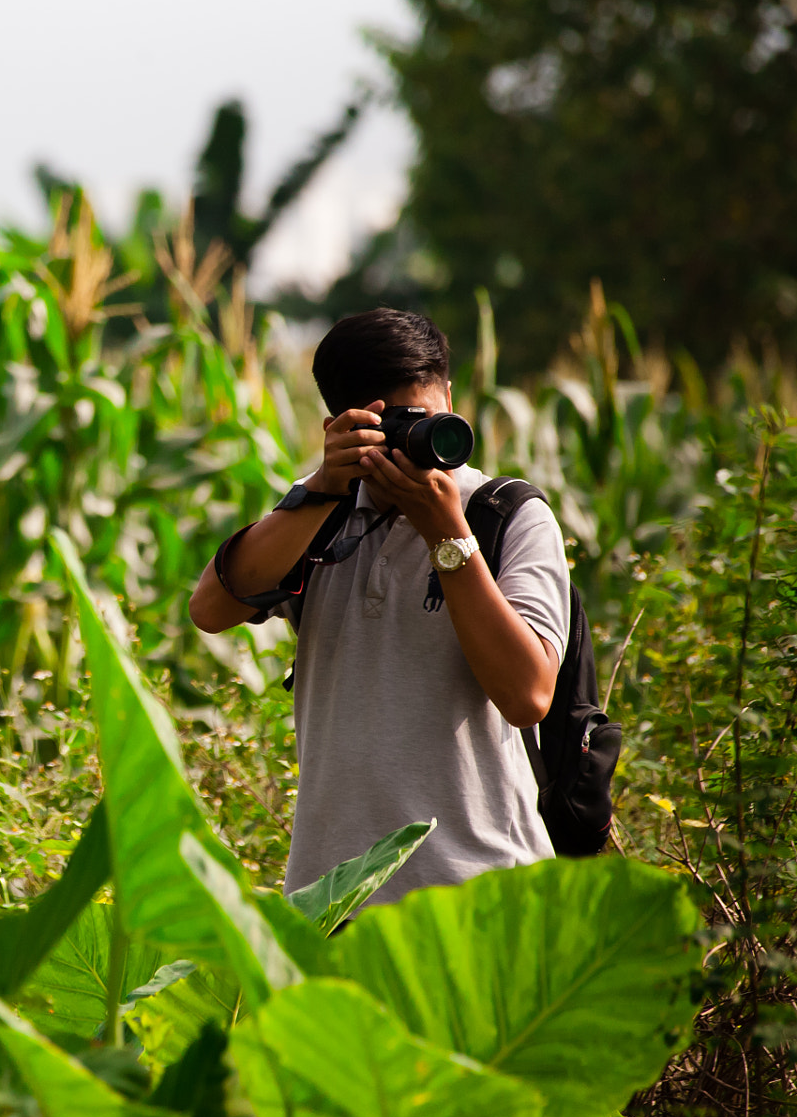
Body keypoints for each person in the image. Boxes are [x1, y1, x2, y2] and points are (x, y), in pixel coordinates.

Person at [188, 307, 568, 905]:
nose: (417, 441)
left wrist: (446, 535)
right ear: (341, 425)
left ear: (449, 393)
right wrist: (321, 488)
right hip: (333, 897)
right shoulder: (320, 514)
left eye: (430, 418)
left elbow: (529, 696)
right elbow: (210, 609)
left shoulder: (507, 516)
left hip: (484, 897)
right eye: (395, 426)